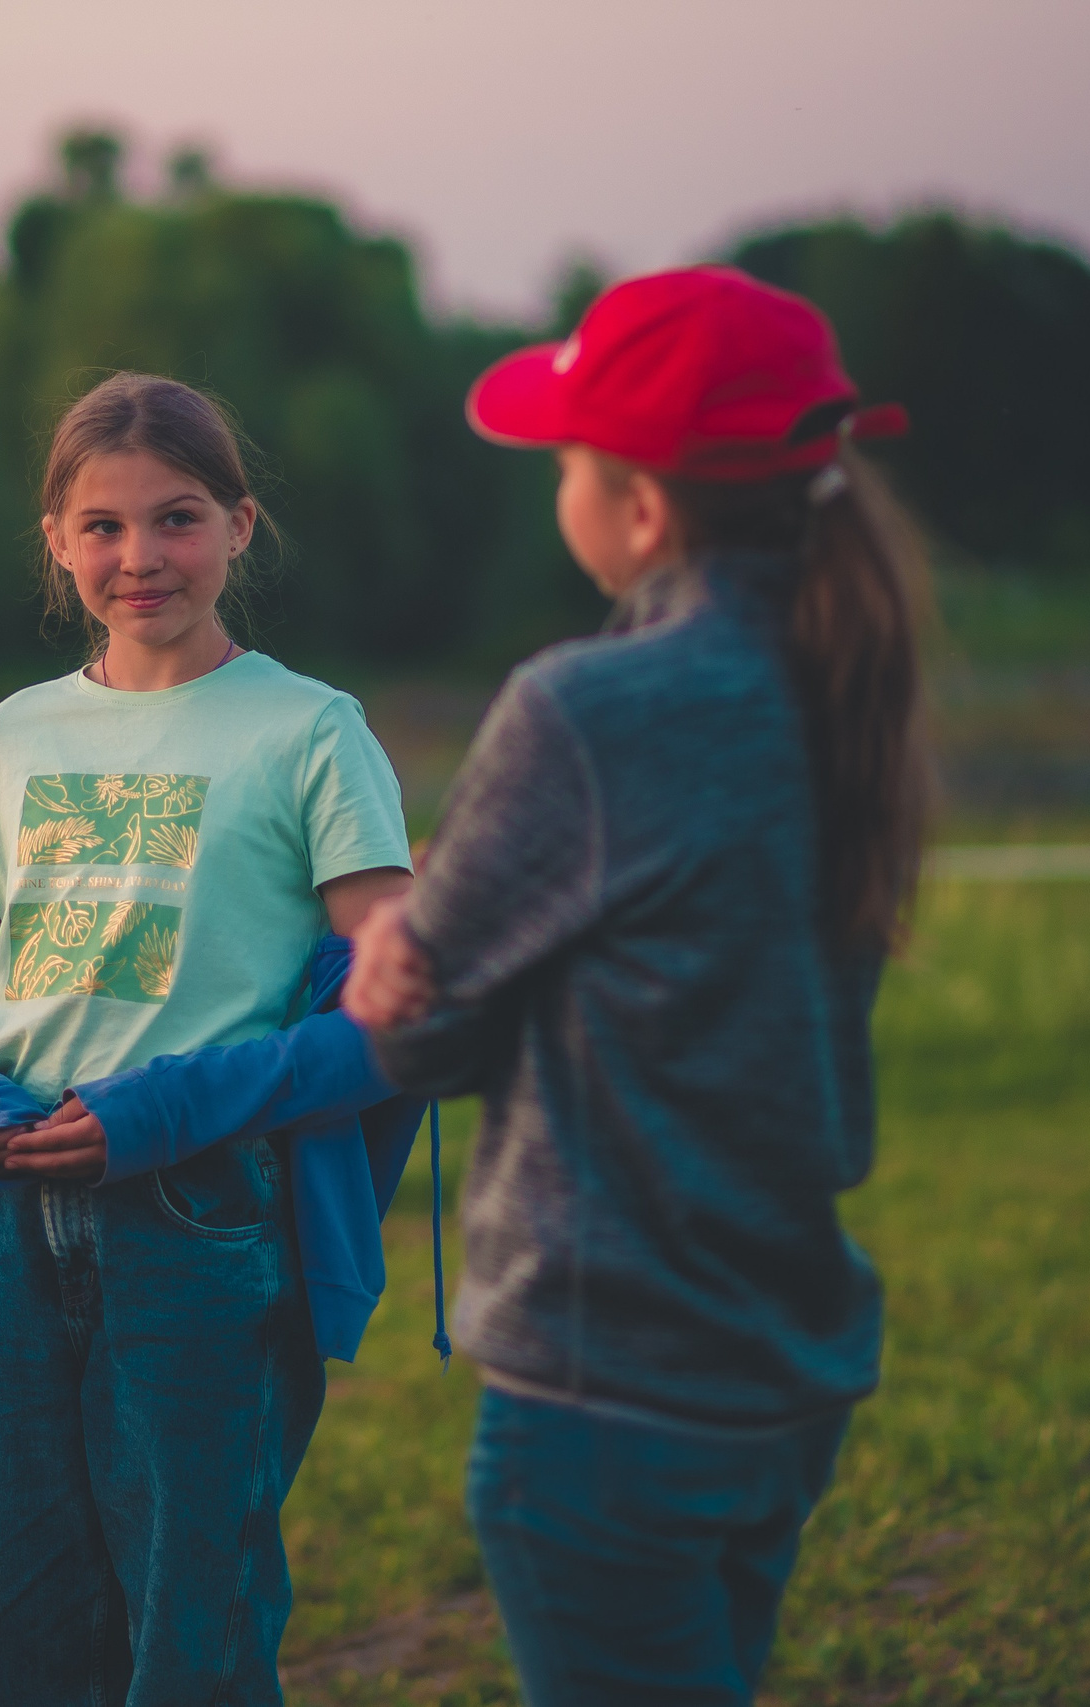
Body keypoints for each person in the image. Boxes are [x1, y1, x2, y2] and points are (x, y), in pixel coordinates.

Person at [344, 266, 932, 1707]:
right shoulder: (840, 682)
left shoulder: (585, 708)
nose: (558, 481)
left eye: (566, 458)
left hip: (607, 1391)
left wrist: (387, 954)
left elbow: (425, 1038)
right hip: (782, 1369)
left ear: (645, 511)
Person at [0, 372, 427, 1706]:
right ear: (59, 543)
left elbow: (400, 1014)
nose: (142, 559)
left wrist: (164, 1110)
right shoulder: (12, 738)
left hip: (200, 1216)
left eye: (178, 519)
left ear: (241, 526)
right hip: (8, 1219)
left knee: (192, 1615)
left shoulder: (312, 733)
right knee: (20, 1614)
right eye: (105, 527)